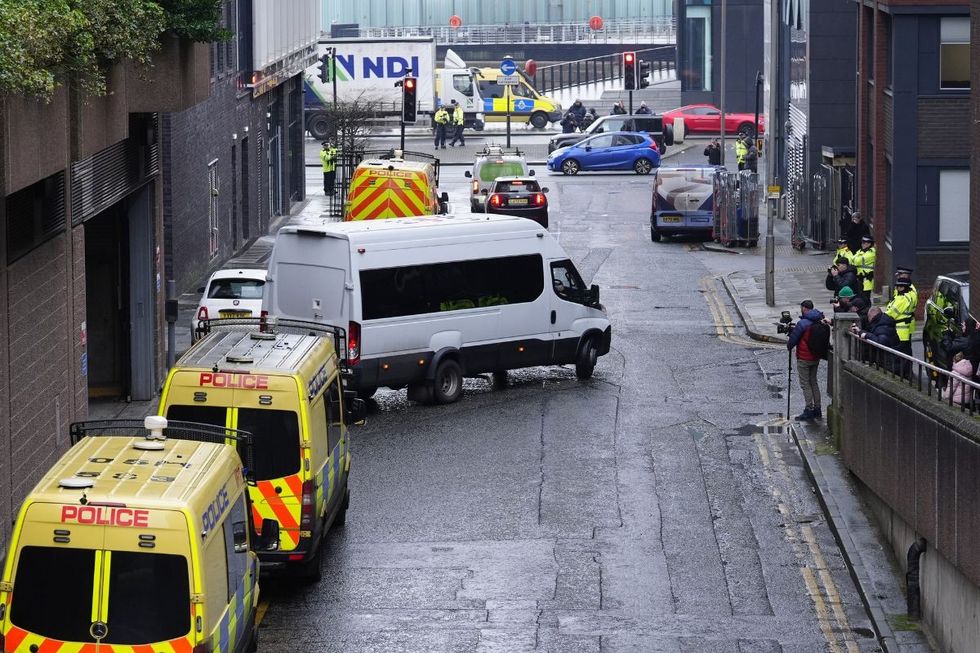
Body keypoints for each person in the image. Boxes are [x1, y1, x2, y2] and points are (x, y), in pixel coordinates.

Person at [787, 300, 827, 421]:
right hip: (815, 356)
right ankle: (817, 408)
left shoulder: (803, 323)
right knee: (813, 382)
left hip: (804, 358)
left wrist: (789, 345)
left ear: (804, 308)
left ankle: (808, 409)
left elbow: (793, 341)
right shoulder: (820, 319)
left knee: (805, 384)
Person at [884, 275, 917, 364]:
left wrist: (881, 317)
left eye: (901, 286)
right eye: (897, 286)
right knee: (905, 353)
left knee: (901, 355)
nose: (898, 288)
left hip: (900, 330)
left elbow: (891, 313)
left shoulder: (903, 298)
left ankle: (905, 373)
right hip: (901, 329)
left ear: (905, 287)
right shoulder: (900, 296)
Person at [851, 235, 875, 302]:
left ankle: (867, 310)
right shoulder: (861, 251)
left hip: (867, 279)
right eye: (862, 242)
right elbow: (851, 259)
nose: (862, 244)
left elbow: (856, 261)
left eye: (864, 242)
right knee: (860, 296)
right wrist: (857, 257)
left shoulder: (871, 253)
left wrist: (856, 258)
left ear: (869, 243)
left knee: (866, 297)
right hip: (860, 277)